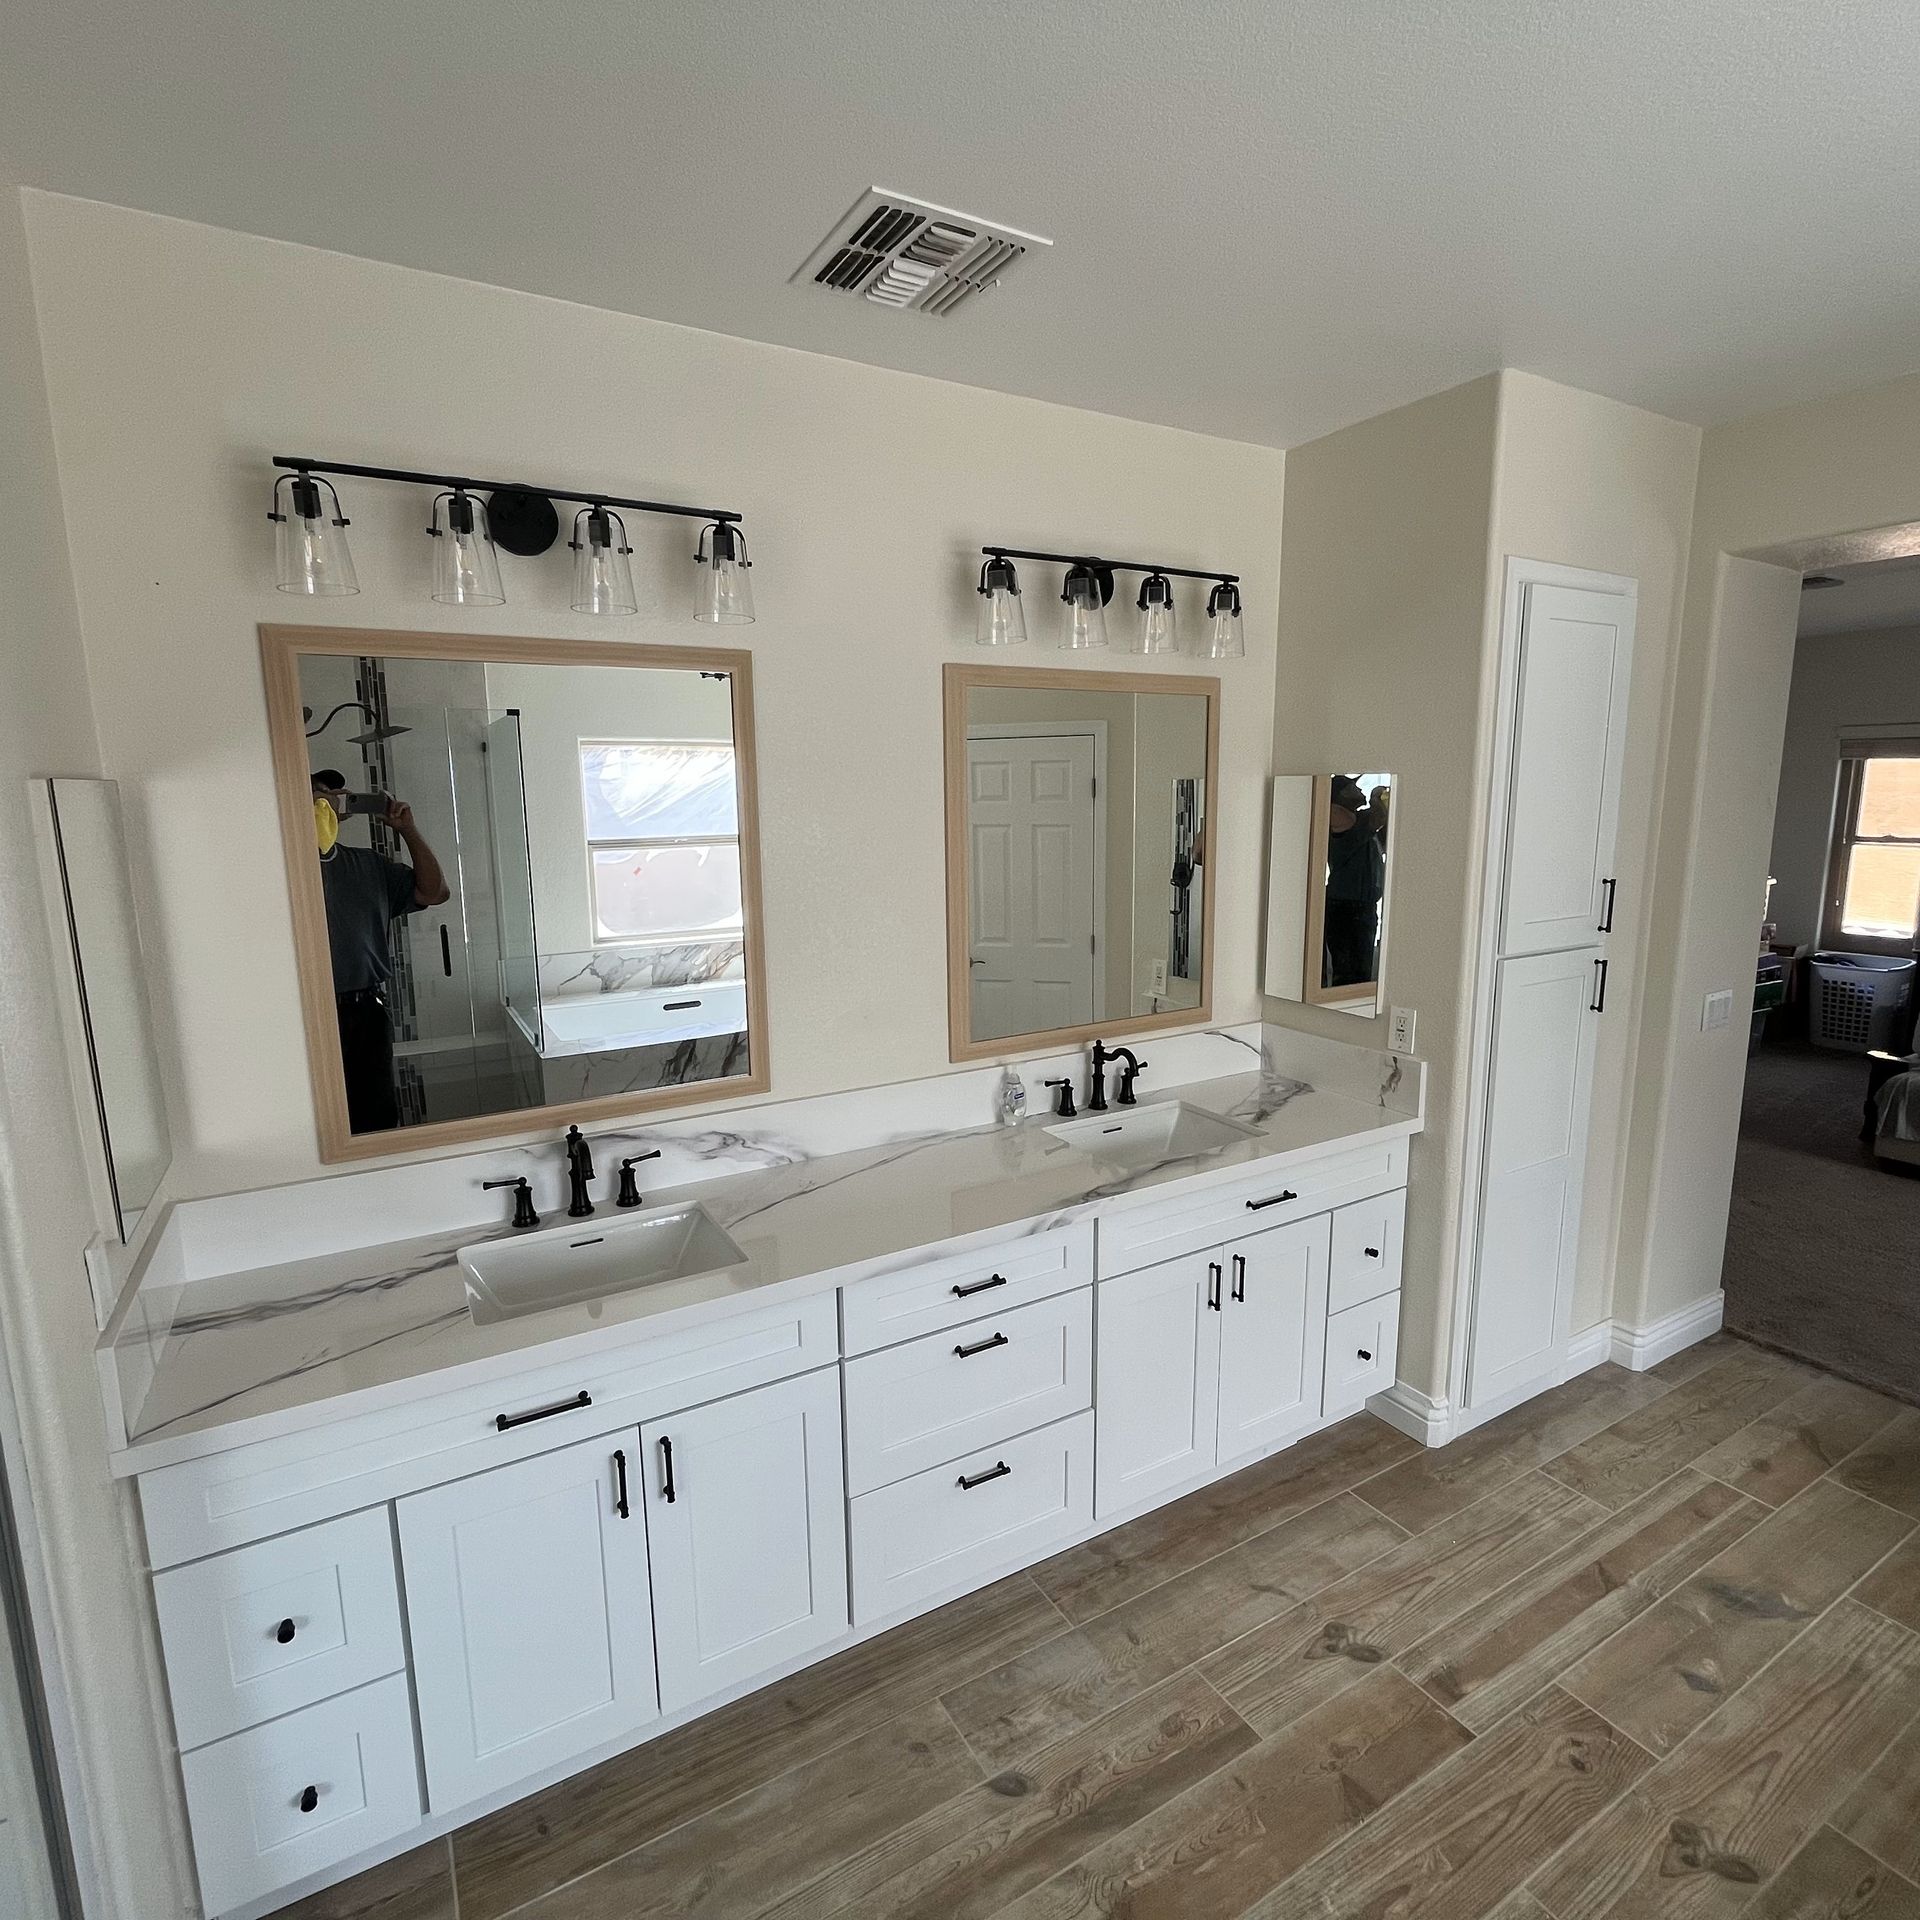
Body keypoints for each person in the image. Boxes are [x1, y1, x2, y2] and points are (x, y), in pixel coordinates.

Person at [311, 771, 450, 1131]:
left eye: (330, 794)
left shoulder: (368, 865)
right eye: (315, 794)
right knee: (317, 1120)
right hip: (306, 1014)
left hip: (364, 1012)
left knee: (375, 1117)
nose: (326, 800)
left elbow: (434, 892)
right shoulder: (284, 868)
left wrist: (407, 831)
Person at [1323, 774, 1387, 988]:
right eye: (1353, 787)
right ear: (1339, 795)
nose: (1359, 790)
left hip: (1359, 907)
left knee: (1358, 972)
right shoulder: (1337, 818)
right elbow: (1377, 818)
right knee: (1351, 974)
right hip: (1346, 908)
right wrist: (1376, 798)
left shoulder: (1356, 821)